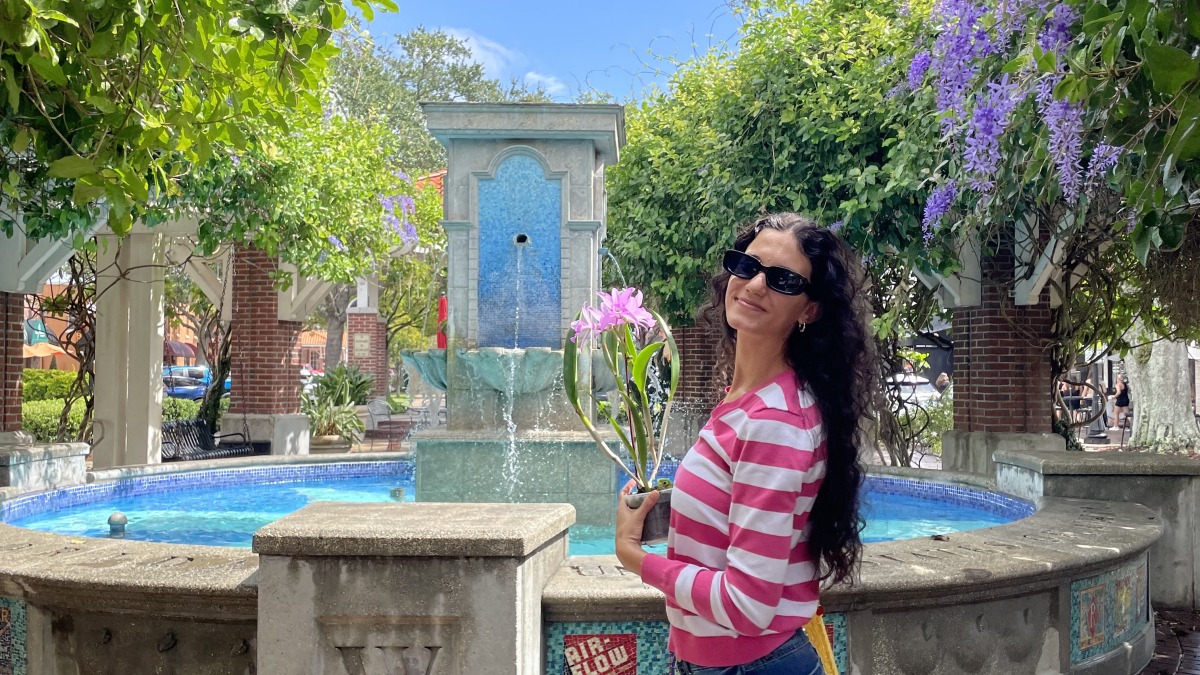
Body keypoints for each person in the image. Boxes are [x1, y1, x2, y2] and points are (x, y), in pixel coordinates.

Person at [615, 213, 874, 674]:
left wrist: (633, 556)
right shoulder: (749, 400)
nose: (755, 285)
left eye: (783, 280)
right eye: (747, 266)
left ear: (809, 310)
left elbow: (747, 606)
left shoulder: (774, 421)